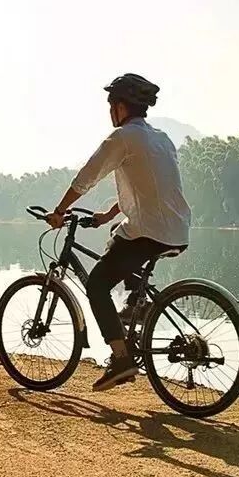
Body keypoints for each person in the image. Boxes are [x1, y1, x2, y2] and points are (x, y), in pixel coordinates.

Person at [45, 73, 191, 391]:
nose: (110, 112)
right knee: (118, 232)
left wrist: (59, 211)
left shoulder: (123, 137)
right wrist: (108, 215)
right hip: (177, 228)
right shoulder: (161, 138)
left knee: (97, 285)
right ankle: (138, 301)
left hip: (149, 231)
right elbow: (147, 190)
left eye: (111, 105)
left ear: (120, 107)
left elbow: (87, 177)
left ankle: (122, 359)